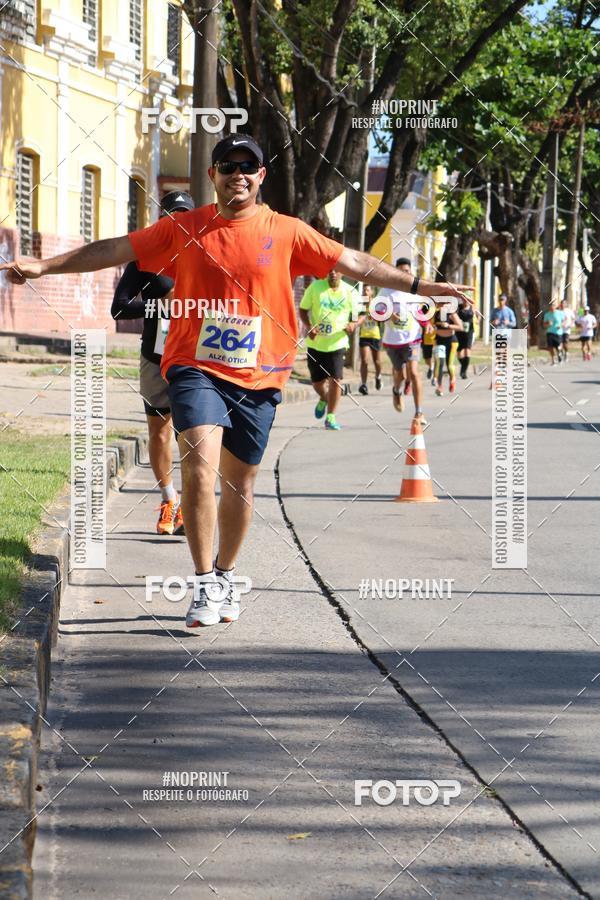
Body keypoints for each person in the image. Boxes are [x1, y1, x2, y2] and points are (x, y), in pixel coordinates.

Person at [0, 132, 472, 630]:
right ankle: (204, 582)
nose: (238, 175)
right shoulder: (184, 227)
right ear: (213, 175)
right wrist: (44, 266)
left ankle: (225, 574)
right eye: (228, 166)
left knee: (240, 483)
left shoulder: (287, 231)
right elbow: (117, 248)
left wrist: (422, 286)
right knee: (199, 466)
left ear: (261, 175)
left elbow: (353, 261)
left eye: (248, 167)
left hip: (260, 374)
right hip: (194, 365)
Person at [111, 190, 194, 534]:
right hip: (155, 356)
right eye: (172, 215)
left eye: (184, 216)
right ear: (162, 219)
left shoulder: (206, 255)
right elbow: (119, 308)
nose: (178, 222)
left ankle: (192, 504)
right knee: (159, 433)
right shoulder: (144, 258)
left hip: (194, 358)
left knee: (193, 435)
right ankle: (169, 500)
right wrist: (160, 305)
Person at [299, 269, 361, 430]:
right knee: (317, 383)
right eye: (330, 270)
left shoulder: (350, 291)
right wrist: (309, 326)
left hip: (338, 343)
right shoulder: (315, 287)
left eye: (337, 270)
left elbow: (360, 313)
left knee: (336, 379)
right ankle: (324, 397)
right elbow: (303, 309)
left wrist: (353, 323)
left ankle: (331, 417)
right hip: (316, 344)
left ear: (342, 273)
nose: (333, 273)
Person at [378, 283, 427, 423]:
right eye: (404, 271)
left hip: (413, 339)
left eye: (408, 272)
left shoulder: (415, 292)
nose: (407, 273)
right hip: (393, 340)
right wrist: (389, 315)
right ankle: (396, 391)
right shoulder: (386, 291)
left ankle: (419, 412)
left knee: (414, 372)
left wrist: (427, 324)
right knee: (400, 374)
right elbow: (376, 312)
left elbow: (419, 312)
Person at [357, 284, 382, 395]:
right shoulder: (359, 306)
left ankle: (378, 376)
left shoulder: (376, 305)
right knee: (364, 360)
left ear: (371, 292)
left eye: (367, 290)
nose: (365, 292)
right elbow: (355, 319)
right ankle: (364, 384)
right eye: (364, 291)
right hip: (364, 335)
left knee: (377, 362)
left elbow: (383, 318)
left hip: (375, 335)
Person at [433, 304, 461, 396]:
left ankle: (452, 379)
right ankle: (439, 386)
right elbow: (432, 325)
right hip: (439, 340)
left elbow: (460, 327)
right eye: (440, 304)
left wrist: (448, 325)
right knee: (440, 363)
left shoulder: (452, 314)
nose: (442, 306)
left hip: (451, 341)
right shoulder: (436, 314)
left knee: (449, 364)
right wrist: (433, 328)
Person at [456, 296, 475, 378]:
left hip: (469, 331)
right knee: (459, 351)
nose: (465, 301)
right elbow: (453, 316)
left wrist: (478, 319)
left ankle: (463, 372)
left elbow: (478, 316)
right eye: (464, 299)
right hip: (459, 331)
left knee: (467, 349)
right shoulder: (458, 307)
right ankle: (463, 366)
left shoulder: (472, 307)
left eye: (467, 300)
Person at [543, 301, 564, 365]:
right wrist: (548, 324)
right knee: (550, 347)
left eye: (553, 306)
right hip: (550, 332)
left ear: (555, 306)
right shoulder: (547, 314)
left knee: (558, 347)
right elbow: (544, 325)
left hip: (558, 333)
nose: (552, 307)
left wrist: (560, 325)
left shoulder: (560, 313)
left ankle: (559, 354)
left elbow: (564, 321)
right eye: (550, 306)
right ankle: (553, 360)